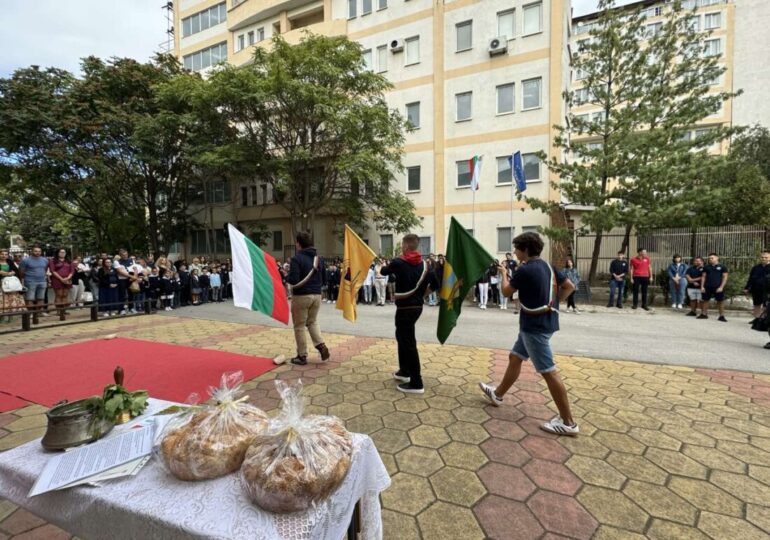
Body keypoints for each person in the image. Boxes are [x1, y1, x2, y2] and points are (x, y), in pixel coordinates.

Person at [479, 232, 578, 436]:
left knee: (549, 372)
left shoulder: (525, 270)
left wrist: (504, 273)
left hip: (534, 327)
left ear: (525, 250)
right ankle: (497, 394)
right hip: (546, 322)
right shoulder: (548, 266)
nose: (514, 252)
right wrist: (553, 302)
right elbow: (570, 286)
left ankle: (568, 422)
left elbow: (506, 292)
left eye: (516, 248)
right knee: (515, 357)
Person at [379, 234, 438, 394]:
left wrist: (395, 260)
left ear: (405, 246)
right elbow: (436, 284)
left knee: (408, 342)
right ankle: (404, 371)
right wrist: (422, 295)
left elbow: (384, 271)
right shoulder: (426, 265)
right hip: (417, 307)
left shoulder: (399, 262)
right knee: (402, 337)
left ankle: (416, 382)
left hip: (404, 308)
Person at [286, 232, 330, 365]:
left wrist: (286, 276)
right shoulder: (319, 259)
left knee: (299, 326)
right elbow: (324, 279)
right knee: (312, 322)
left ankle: (302, 355)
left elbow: (293, 280)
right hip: (317, 295)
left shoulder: (297, 259)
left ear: (299, 244)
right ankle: (321, 346)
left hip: (301, 296)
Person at [18, 246, 49, 324]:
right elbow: (21, 272)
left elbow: (44, 269)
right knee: (29, 298)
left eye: (39, 251)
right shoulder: (26, 260)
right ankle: (31, 313)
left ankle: (38, 312)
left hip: (42, 281)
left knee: (41, 298)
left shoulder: (44, 260)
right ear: (32, 251)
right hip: (30, 281)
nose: (37, 252)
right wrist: (25, 279)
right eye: (35, 251)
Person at [701, 252, 729, 322]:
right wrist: (702, 287)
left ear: (717, 258)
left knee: (720, 301)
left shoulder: (722, 267)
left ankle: (721, 316)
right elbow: (703, 277)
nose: (710, 259)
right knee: (705, 300)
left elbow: (725, 277)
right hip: (707, 287)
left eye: (712, 258)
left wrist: (721, 287)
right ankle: (704, 314)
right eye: (709, 258)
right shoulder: (706, 267)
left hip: (718, 287)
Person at [49, 248, 74, 321]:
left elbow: (72, 271)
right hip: (57, 279)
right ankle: (58, 310)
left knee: (65, 294)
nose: (62, 253)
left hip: (67, 279)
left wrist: (67, 278)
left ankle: (64, 310)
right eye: (61, 252)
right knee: (59, 294)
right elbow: (52, 271)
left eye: (64, 252)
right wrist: (61, 279)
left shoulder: (69, 261)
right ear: (58, 253)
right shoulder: (53, 261)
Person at [745, 251, 770, 323]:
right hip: (756, 289)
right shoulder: (756, 268)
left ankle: (765, 320)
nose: (764, 259)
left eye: (766, 257)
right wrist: (747, 288)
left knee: (766, 305)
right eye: (762, 257)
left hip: (767, 290)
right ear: (760, 258)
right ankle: (757, 319)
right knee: (756, 304)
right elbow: (751, 278)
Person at [0, 249, 24, 324]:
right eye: (2, 254)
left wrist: (11, 272)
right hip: (1, 285)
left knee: (11, 300)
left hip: (10, 285)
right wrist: (6, 273)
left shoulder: (10, 261)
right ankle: (2, 318)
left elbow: (15, 270)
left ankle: (11, 317)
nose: (4, 256)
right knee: (2, 301)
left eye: (6, 254)